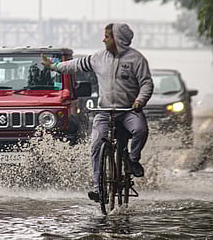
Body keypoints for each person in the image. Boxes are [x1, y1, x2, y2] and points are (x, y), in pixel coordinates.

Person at [42, 23, 154, 202]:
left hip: (128, 111)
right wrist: (54, 66)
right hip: (104, 111)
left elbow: (147, 83)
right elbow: (75, 65)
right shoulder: (98, 57)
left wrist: (140, 101)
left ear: (118, 39)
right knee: (96, 145)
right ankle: (98, 188)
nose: (104, 39)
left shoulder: (137, 60)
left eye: (107, 36)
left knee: (141, 130)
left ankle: (132, 160)